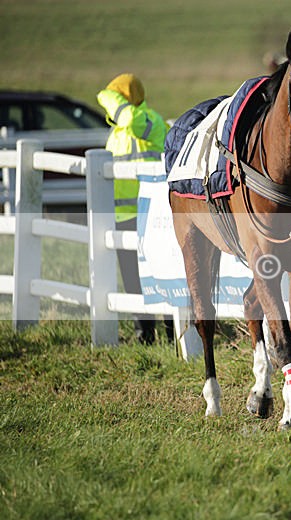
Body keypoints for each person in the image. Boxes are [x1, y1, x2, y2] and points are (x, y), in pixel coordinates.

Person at [97, 73, 171, 344]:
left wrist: (107, 96)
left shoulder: (148, 120)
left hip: (150, 214)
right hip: (123, 216)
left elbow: (130, 119)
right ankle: (145, 335)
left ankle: (173, 332)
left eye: (115, 96)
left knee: (160, 275)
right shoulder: (117, 132)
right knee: (132, 279)